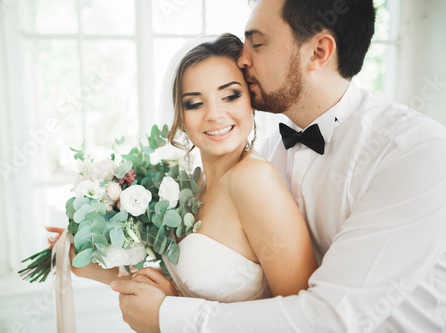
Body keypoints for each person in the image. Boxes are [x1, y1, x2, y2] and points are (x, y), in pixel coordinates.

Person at [112, 0, 446, 332]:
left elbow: (330, 318)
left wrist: (170, 317)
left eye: (256, 44)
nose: (242, 59)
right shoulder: (266, 151)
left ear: (318, 52)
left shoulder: (414, 152)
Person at [58, 32, 318, 313]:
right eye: (195, 103)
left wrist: (170, 313)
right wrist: (88, 265)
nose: (215, 115)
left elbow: (302, 317)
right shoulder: (192, 185)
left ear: (251, 100)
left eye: (230, 95)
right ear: (179, 116)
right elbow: (183, 290)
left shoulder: (254, 179)